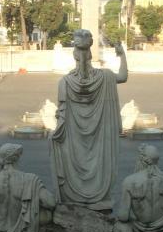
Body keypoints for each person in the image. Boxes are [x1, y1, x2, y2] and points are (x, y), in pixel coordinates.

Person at [50, 29, 127, 211]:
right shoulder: (106, 77)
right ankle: (98, 195)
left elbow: (61, 118)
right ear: (91, 55)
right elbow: (123, 77)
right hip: (99, 138)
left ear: (74, 56)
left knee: (60, 149)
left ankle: (74, 195)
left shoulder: (65, 82)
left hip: (73, 138)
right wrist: (122, 54)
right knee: (98, 163)